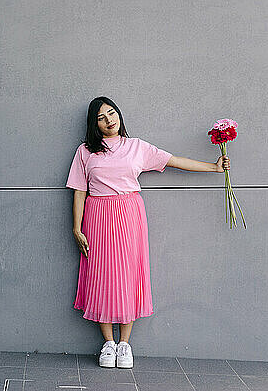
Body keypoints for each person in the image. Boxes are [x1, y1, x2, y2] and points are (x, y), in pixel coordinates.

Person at [65, 96, 230, 369]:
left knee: (128, 274)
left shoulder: (137, 147)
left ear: (119, 114)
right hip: (96, 215)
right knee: (102, 275)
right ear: (94, 124)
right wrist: (76, 227)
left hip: (129, 214)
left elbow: (174, 160)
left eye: (112, 113)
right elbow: (79, 191)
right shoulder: (85, 151)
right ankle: (108, 343)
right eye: (101, 117)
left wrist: (213, 167)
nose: (109, 120)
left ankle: (125, 344)